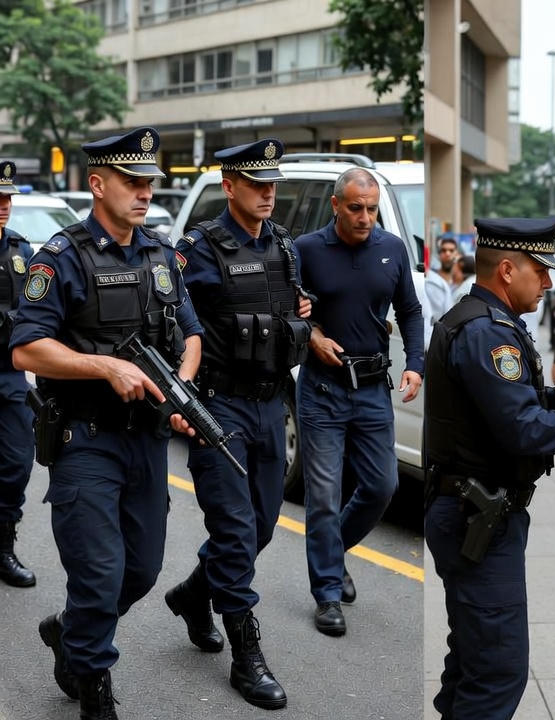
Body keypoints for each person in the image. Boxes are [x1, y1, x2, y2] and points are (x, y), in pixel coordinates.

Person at [14, 127, 203, 719]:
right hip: (85, 440)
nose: (145, 192)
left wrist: (180, 390)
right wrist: (104, 366)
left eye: (150, 183)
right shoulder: (61, 258)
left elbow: (191, 333)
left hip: (146, 441)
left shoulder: (162, 255)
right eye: (132, 181)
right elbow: (26, 348)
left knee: (141, 571)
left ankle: (71, 631)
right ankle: (94, 686)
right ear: (97, 185)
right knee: (99, 574)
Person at [423, 215, 555, 720]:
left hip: (477, 512)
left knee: (473, 659)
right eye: (541, 270)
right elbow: (523, 429)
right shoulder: (488, 334)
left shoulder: (484, 322)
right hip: (477, 517)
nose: (548, 282)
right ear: (508, 271)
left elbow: (510, 404)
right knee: (497, 671)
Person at [165, 138, 312, 710]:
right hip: (220, 406)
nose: (267, 194)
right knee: (233, 529)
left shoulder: (283, 244)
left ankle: (193, 594)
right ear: (229, 187)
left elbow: (288, 308)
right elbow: (171, 320)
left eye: (272, 184)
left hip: (271, 404)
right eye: (256, 184)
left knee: (262, 527)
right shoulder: (198, 248)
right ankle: (246, 654)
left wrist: (302, 310)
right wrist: (180, 392)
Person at [295, 167, 424, 636]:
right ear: (336, 206)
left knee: (381, 486)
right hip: (322, 390)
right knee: (324, 497)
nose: (365, 217)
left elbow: (409, 310)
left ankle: (333, 554)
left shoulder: (392, 248)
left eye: (371, 209)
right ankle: (327, 594)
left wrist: (416, 363)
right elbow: (287, 311)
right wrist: (311, 335)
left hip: (372, 389)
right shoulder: (306, 250)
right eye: (355, 208)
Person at [0, 161, 36, 589]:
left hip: (9, 374)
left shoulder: (21, 252)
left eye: (7, 197)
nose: (4, 205)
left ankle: (3, 545)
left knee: (16, 463)